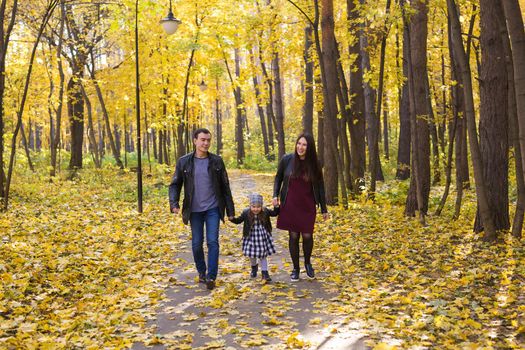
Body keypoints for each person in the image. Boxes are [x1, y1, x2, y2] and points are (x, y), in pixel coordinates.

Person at [169, 128, 235, 290]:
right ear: (195, 141)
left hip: (213, 208)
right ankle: (202, 272)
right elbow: (175, 184)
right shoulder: (184, 162)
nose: (205, 143)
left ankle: (211, 276)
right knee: (197, 244)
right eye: (202, 140)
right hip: (194, 210)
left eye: (208, 140)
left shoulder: (217, 161)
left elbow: (225, 187)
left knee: (213, 241)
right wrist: (174, 203)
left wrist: (230, 210)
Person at [272, 133, 328, 282]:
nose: (300, 147)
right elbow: (278, 177)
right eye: (299, 144)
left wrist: (324, 209)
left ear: (309, 148)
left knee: (307, 235)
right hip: (290, 203)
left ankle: (308, 263)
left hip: (308, 204)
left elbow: (320, 186)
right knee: (294, 235)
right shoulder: (287, 160)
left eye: (304, 145)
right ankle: (296, 268)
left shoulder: (315, 163)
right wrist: (275, 195)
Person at [230, 193, 279, 282]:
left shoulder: (266, 211)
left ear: (261, 206)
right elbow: (238, 221)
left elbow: (275, 213)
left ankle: (265, 272)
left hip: (262, 237)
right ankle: (254, 267)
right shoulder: (246, 212)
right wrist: (232, 219)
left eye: (258, 207)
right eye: (253, 207)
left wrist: (276, 206)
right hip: (250, 237)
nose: (256, 209)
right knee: (252, 255)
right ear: (250, 206)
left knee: (263, 255)